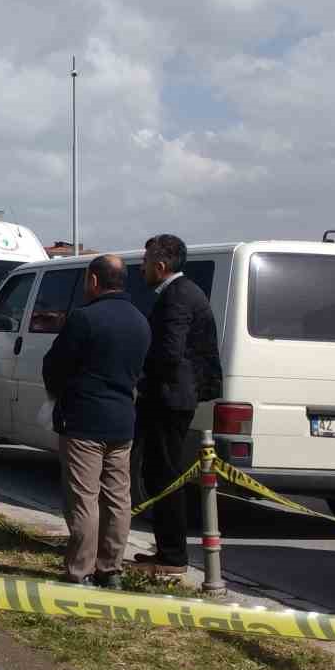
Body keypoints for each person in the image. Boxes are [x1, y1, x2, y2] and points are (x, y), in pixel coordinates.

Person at [40, 255, 151, 587]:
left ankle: (79, 570)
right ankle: (111, 568)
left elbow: (55, 366)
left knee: (84, 498)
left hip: (84, 420)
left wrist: (60, 393)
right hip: (122, 422)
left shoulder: (84, 319)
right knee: (118, 498)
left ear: (93, 281)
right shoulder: (140, 321)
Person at [131, 234, 222, 576]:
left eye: (144, 262)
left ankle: (172, 557)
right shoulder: (180, 293)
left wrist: (139, 378)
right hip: (173, 395)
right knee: (157, 473)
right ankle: (167, 550)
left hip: (169, 398)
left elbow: (169, 352)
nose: (140, 269)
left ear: (160, 265)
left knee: (164, 475)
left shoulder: (177, 297)